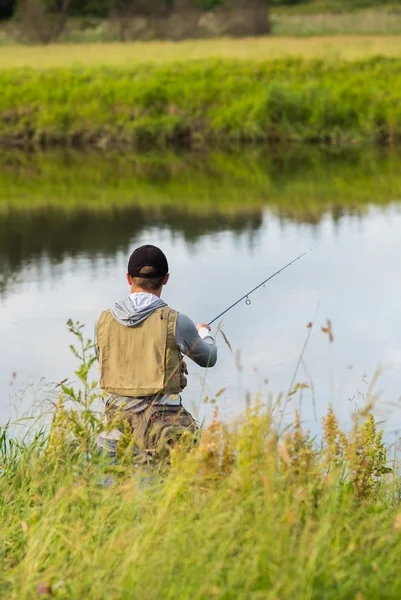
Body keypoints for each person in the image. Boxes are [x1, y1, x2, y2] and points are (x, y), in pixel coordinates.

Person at [96, 244, 217, 460]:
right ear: (166, 278)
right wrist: (204, 334)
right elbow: (209, 359)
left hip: (113, 433)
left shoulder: (104, 320)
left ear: (128, 278)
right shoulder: (176, 321)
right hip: (162, 436)